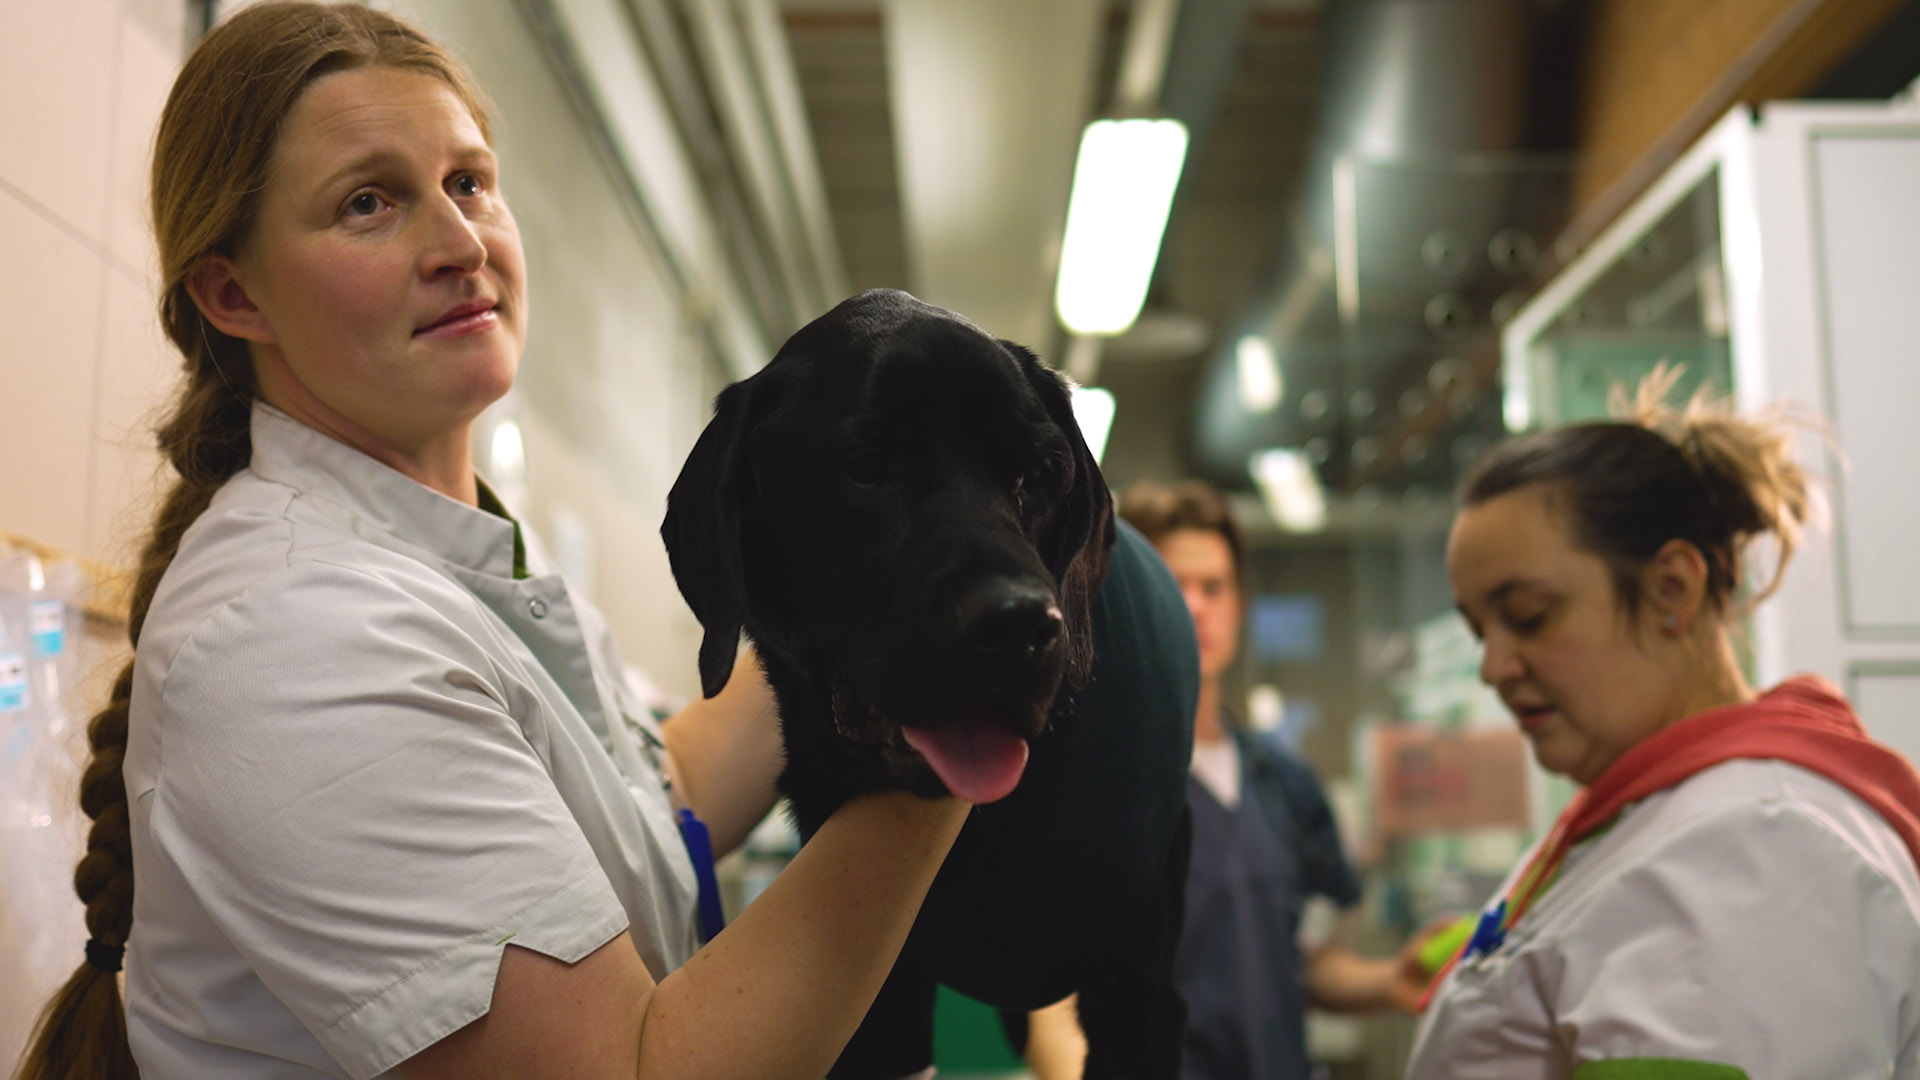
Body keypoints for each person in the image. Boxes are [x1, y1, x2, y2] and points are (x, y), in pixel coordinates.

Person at [11, 5, 971, 1079]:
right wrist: (949, 743)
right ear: (235, 294)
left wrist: (900, 597)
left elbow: (665, 794)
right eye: (369, 203)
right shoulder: (296, 637)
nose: (460, 243)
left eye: (469, 183)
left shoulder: (460, 558)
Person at [1406, 370, 1920, 1078]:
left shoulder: (1752, 854)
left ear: (1672, 588)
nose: (1494, 668)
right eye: (1480, 631)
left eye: (1528, 616)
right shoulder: (1664, 813)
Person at [1114, 478, 1434, 1080]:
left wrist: (1393, 980)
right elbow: (1053, 1000)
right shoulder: (1103, 784)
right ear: (1132, 596)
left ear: (1239, 605)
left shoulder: (1281, 781)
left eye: (1215, 587)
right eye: (1174, 583)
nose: (1198, 606)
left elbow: (1295, 963)